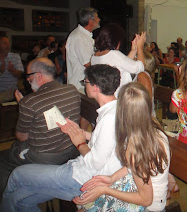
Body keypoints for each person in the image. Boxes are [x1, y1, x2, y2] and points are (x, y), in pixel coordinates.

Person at [1, 64, 122, 212]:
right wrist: (84, 134)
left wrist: (79, 143)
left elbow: (96, 162)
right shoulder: (114, 109)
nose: (85, 85)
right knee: (19, 199)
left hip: (83, 178)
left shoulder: (109, 117)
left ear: (95, 87)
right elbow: (108, 141)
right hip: (80, 169)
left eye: (86, 82)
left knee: (17, 175)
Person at [73, 83, 170, 212]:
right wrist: (112, 178)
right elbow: (136, 167)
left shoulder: (135, 148)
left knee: (86, 207)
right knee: (87, 204)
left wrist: (106, 190)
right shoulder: (155, 130)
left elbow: (146, 199)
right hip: (151, 193)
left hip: (149, 207)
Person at [0, 57, 81, 196]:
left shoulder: (29, 102)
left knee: (4, 158)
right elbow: (50, 106)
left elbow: (21, 136)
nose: (27, 80)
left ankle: (9, 195)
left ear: (39, 76)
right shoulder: (72, 90)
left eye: (29, 76)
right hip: (72, 150)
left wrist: (23, 106)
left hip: (45, 157)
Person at [90, 23, 145, 97]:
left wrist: (133, 50)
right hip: (118, 98)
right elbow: (140, 68)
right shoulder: (114, 54)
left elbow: (122, 65)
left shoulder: (95, 55)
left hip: (104, 97)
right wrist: (140, 48)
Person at [66, 7, 100, 92]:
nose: (99, 19)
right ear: (90, 21)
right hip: (79, 86)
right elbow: (87, 63)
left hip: (84, 84)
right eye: (97, 17)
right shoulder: (78, 37)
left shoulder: (84, 36)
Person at [0, 37, 24, 103]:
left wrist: (12, 70)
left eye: (8, 43)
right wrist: (0, 71)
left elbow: (20, 75)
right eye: (5, 43)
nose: (8, 46)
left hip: (10, 90)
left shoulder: (15, 57)